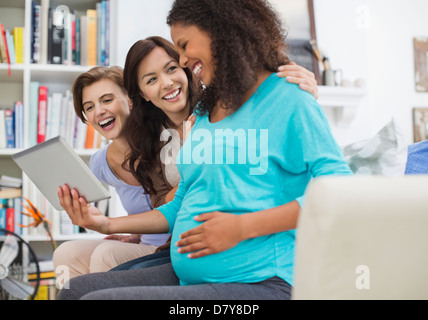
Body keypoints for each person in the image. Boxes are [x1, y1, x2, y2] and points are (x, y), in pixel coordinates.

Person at [57, 0, 349, 300]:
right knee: (74, 290)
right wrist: (103, 223)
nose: (183, 60)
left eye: (183, 46)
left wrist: (241, 227)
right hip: (193, 273)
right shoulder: (204, 112)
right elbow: (179, 204)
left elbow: (340, 190)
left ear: (220, 31)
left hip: (261, 281)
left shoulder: (288, 97)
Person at [52, 66, 171, 279]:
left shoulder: (166, 143)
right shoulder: (100, 163)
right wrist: (134, 235)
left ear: (131, 99)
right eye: (89, 107)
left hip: (170, 251)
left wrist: (109, 225)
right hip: (145, 246)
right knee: (65, 253)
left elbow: (175, 208)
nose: (98, 111)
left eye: (107, 100)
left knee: (106, 254)